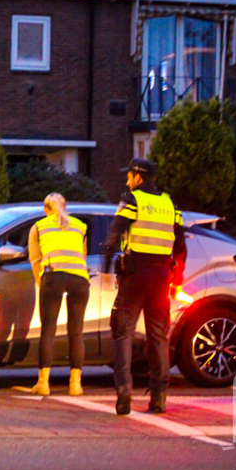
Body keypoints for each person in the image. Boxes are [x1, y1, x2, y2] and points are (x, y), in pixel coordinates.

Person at [102, 158, 186, 416]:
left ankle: (124, 390)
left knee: (123, 331)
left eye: (129, 175)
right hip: (161, 276)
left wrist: (106, 268)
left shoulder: (132, 200)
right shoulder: (170, 204)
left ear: (138, 177)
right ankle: (159, 397)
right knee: (158, 336)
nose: (127, 180)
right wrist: (177, 279)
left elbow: (113, 235)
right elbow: (181, 247)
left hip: (134, 275)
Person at [27, 193, 91, 397]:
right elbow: (83, 255)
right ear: (65, 206)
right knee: (76, 332)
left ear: (46, 209)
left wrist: (42, 283)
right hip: (80, 280)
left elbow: (35, 260)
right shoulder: (80, 226)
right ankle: (75, 385)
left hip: (53, 277)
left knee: (48, 330)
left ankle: (43, 383)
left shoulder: (39, 226)